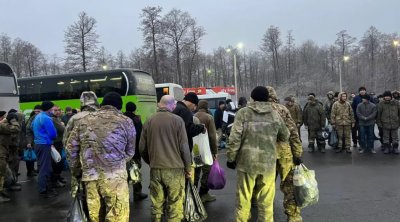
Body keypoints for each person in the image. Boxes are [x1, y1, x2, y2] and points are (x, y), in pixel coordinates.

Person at [66, 92, 135, 222]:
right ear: (120, 107)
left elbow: (71, 149)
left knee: (95, 217)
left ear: (102, 105)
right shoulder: (126, 121)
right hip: (116, 179)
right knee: (117, 217)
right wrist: (116, 162)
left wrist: (78, 170)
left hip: (90, 179)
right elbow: (130, 152)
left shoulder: (83, 121)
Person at [227, 86, 289, 222]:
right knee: (266, 202)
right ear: (267, 98)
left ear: (252, 97)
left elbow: (234, 137)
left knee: (243, 199)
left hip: (246, 163)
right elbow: (285, 135)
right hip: (268, 164)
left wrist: (231, 157)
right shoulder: (274, 114)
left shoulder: (243, 113)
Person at [139, 95, 191, 221]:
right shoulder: (178, 120)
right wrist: (188, 167)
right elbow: (184, 147)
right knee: (175, 204)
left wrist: (151, 161)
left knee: (156, 204)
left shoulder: (149, 120)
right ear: (171, 105)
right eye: (174, 105)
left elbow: (142, 147)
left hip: (156, 169)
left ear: (159, 104)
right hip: (175, 169)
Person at [267, 86, 303, 222]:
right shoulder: (282, 109)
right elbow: (293, 132)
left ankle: (266, 214)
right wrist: (297, 153)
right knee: (289, 186)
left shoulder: (254, 111)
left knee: (266, 185)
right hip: (284, 154)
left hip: (265, 154)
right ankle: (293, 216)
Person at [194, 100, 218, 203]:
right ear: (207, 107)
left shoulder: (193, 116)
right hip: (206, 149)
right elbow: (212, 136)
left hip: (195, 149)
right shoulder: (209, 117)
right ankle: (203, 194)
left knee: (196, 171)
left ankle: (193, 194)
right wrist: (214, 151)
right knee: (207, 171)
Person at [32, 101, 57, 198]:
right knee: (45, 168)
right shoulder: (46, 118)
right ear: (49, 108)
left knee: (42, 166)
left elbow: (31, 127)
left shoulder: (37, 117)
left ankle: (45, 188)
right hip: (44, 144)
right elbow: (52, 134)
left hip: (38, 144)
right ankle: (44, 190)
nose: (53, 110)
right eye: (53, 108)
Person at [123, 101, 148, 201]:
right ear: (134, 109)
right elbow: (140, 136)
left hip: (123, 153)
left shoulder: (122, 119)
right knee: (135, 172)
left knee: (124, 174)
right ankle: (137, 194)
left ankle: (124, 195)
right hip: (135, 152)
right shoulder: (136, 120)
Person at [0, 111, 20, 202]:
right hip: (0, 154)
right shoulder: (1, 126)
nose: (4, 119)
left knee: (4, 173)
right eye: (3, 117)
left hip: (3, 152)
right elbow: (16, 128)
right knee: (1, 174)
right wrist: (13, 119)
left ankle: (1, 191)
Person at [6, 109, 26, 191]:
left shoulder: (19, 125)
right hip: (11, 150)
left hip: (16, 149)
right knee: (11, 167)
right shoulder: (12, 126)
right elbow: (12, 138)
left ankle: (14, 181)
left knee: (15, 166)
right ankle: (10, 184)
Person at [51, 106, 66, 188]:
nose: (57, 112)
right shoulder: (53, 119)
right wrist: (63, 125)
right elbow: (62, 129)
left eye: (59, 110)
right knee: (56, 162)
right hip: (55, 143)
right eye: (55, 110)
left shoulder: (58, 119)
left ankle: (58, 178)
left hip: (59, 142)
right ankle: (55, 181)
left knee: (59, 161)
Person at [26, 105, 42, 177]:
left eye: (38, 111)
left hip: (43, 141)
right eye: (35, 111)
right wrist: (29, 142)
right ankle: (31, 171)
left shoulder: (44, 118)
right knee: (32, 157)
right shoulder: (32, 118)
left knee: (41, 158)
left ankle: (39, 169)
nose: (36, 113)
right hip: (34, 141)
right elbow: (28, 131)